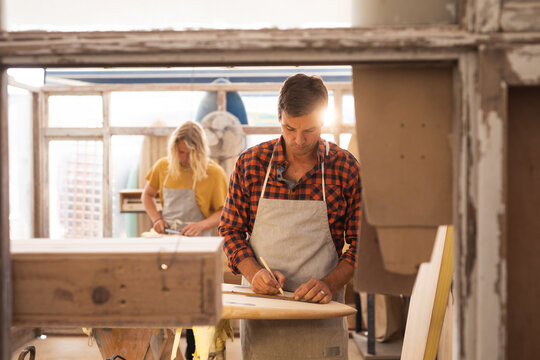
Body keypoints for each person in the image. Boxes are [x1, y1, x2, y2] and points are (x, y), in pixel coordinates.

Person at [219, 74, 361, 359]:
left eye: (309, 130)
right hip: (263, 318)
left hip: (322, 316)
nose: (299, 140)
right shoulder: (251, 164)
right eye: (289, 128)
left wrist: (329, 285)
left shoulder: (345, 168)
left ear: (323, 121)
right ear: (279, 118)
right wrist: (254, 273)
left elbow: (361, 247)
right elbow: (231, 231)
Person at [142, 120, 228, 359]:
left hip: (200, 251)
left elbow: (224, 211)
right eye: (180, 152)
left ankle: (196, 353)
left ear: (200, 151)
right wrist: (157, 218)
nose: (184, 157)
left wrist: (201, 225)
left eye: (190, 153)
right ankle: (166, 352)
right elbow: (147, 195)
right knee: (166, 304)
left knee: (197, 311)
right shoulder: (163, 167)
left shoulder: (214, 173)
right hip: (168, 248)